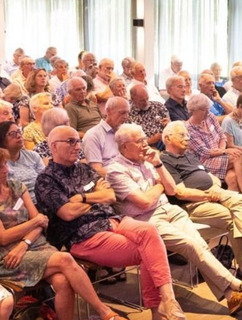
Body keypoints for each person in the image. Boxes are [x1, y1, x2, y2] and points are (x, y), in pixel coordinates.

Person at [106, 124, 242, 315]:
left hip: (171, 210)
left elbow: (170, 189)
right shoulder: (115, 170)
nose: (145, 144)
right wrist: (159, 187)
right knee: (191, 245)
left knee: (201, 246)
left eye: (144, 139)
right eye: (139, 141)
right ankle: (238, 284)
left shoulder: (148, 162)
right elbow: (144, 202)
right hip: (146, 220)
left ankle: (232, 297)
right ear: (124, 146)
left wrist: (157, 165)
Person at [35, 126, 188, 320]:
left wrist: (81, 198)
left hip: (113, 221)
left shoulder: (84, 169)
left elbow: (110, 195)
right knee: (149, 251)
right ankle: (158, 313)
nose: (77, 146)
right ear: (54, 146)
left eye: (78, 141)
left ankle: (169, 301)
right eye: (71, 141)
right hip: (85, 236)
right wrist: (95, 197)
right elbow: (66, 213)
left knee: (149, 231)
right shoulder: (46, 180)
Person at [0, 148, 126, 320]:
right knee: (65, 259)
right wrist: (34, 223)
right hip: (8, 255)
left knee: (63, 281)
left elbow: (42, 223)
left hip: (34, 244)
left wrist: (26, 242)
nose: (6, 169)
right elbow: (4, 237)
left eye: (5, 164)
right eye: (0, 167)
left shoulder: (16, 186)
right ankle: (105, 312)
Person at [161, 121, 242, 283]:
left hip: (214, 194)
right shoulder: (166, 161)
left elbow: (212, 177)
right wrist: (207, 195)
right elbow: (180, 192)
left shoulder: (189, 155)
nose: (187, 138)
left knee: (240, 202)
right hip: (192, 205)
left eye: (187, 134)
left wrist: (215, 188)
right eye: (182, 135)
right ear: (167, 138)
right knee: (234, 215)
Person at [187, 94, 242, 196]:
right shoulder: (190, 129)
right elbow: (204, 152)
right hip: (205, 161)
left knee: (232, 178)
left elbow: (222, 136)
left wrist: (221, 151)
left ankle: (235, 207)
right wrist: (224, 151)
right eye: (204, 110)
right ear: (194, 110)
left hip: (219, 154)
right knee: (237, 156)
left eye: (208, 108)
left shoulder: (210, 117)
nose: (208, 112)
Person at [82, 97, 130, 177]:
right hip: (114, 178)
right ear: (108, 111)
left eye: (128, 113)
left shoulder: (126, 130)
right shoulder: (93, 135)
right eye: (122, 113)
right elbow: (97, 170)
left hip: (131, 172)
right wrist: (123, 179)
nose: (126, 116)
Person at [0, 122, 45, 202]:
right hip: (17, 206)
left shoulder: (33, 156)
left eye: (19, 131)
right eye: (13, 134)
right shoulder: (2, 163)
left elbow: (45, 181)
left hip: (42, 201)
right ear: (2, 139)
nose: (19, 136)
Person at [128, 84, 170, 149]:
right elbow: (131, 143)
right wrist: (150, 140)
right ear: (132, 99)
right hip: (145, 149)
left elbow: (171, 128)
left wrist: (169, 124)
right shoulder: (128, 114)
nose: (146, 102)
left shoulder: (158, 106)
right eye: (142, 100)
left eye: (147, 98)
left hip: (166, 144)